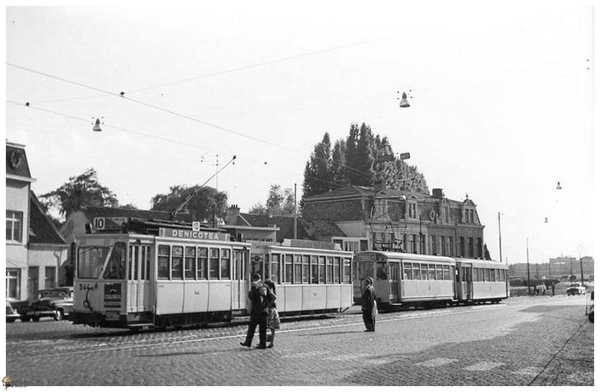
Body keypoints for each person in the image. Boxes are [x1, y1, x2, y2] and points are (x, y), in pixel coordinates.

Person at [240, 273, 268, 349]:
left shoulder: (254, 287)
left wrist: (250, 293)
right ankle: (263, 344)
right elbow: (269, 297)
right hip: (264, 310)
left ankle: (248, 342)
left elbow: (252, 297)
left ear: (254, 279)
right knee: (263, 329)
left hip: (256, 310)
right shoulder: (265, 286)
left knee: (252, 327)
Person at [263, 279, 280, 349]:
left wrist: (268, 304)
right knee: (272, 327)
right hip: (273, 309)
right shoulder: (272, 290)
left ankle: (264, 341)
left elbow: (274, 297)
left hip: (270, 310)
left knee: (265, 325)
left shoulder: (268, 291)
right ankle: (271, 342)